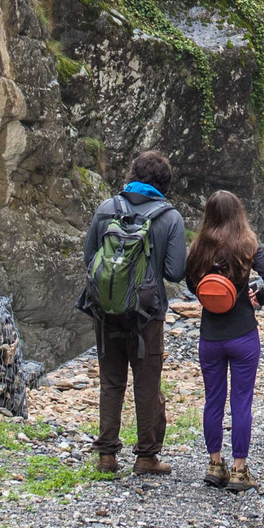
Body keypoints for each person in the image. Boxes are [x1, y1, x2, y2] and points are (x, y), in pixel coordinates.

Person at [79, 149, 186, 477]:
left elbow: (89, 258)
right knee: (146, 381)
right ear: (165, 184)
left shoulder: (106, 208)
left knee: (111, 381)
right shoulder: (170, 218)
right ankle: (146, 457)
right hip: (147, 315)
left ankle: (107, 456)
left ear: (132, 174)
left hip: (106, 311)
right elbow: (175, 272)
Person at [183, 188, 264, 492]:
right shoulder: (247, 244)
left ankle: (214, 465)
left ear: (208, 214)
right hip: (243, 333)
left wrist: (209, 296)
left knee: (213, 400)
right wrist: (259, 297)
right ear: (239, 213)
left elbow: (189, 283)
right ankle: (239, 470)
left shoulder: (198, 247)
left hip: (210, 335)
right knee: (241, 401)